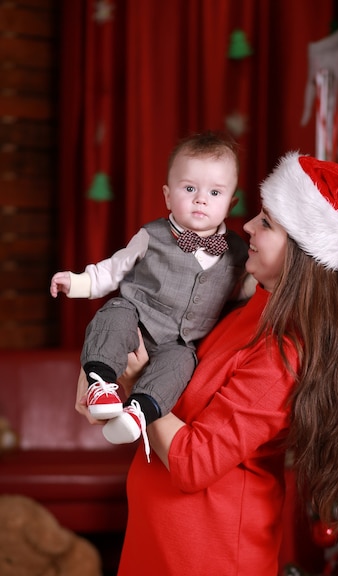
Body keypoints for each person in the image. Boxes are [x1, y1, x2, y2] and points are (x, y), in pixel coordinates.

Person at [77, 151, 338, 576]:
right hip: (159, 549)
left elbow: (194, 460)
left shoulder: (285, 355)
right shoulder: (251, 306)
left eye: (266, 223)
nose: (247, 228)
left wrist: (141, 384)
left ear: (301, 255)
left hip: (204, 565)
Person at [51, 131, 249, 453]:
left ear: (231, 203)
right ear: (168, 196)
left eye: (215, 192)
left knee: (182, 364)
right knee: (113, 315)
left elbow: (246, 290)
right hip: (137, 319)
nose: (201, 199)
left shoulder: (238, 253)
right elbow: (113, 269)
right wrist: (75, 282)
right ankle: (101, 384)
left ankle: (140, 412)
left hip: (179, 341)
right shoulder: (151, 235)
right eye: (189, 189)